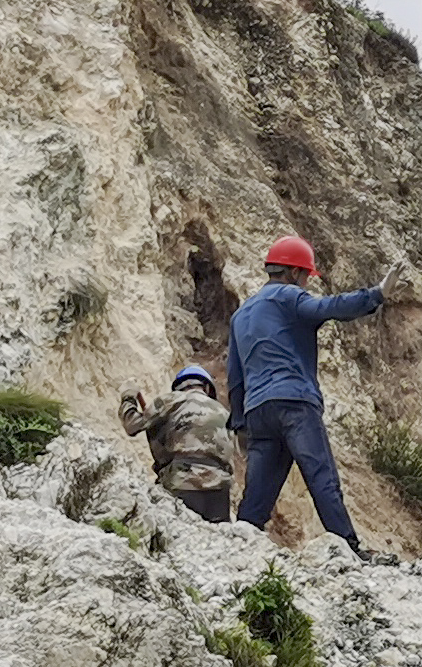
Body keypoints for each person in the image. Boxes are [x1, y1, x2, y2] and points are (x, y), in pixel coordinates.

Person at [227, 234, 387, 554]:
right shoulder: (289, 297)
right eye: (305, 278)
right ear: (295, 273)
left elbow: (235, 377)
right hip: (294, 402)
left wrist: (240, 421)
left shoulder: (240, 316)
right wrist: (376, 295)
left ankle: (239, 550)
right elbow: (330, 307)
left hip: (259, 410)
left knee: (257, 495)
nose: (306, 285)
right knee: (321, 476)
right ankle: (349, 549)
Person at [120, 364, 239, 522]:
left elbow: (132, 425)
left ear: (178, 387)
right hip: (219, 494)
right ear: (207, 388)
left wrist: (128, 396)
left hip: (182, 484)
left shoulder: (170, 401)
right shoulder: (224, 413)